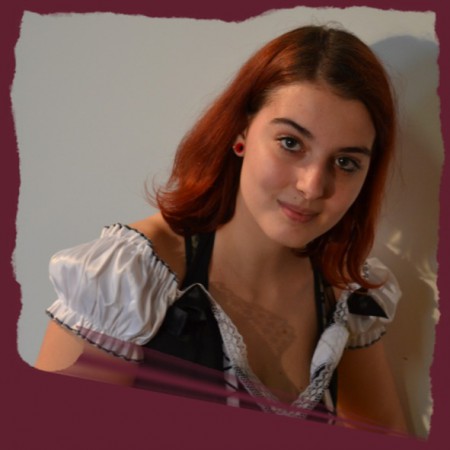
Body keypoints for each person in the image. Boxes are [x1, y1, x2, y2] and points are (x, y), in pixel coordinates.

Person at [35, 25, 408, 433]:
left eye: (345, 162)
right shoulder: (128, 280)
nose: (312, 186)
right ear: (241, 131)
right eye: (290, 143)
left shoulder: (343, 291)